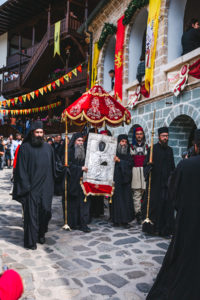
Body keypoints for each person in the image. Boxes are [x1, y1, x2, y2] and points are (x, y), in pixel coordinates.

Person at [147, 129, 200, 300]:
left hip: (189, 223)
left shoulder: (186, 165)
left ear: (196, 146)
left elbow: (174, 194)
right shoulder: (154, 150)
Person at [13, 121, 55, 250]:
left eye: (41, 132)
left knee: (46, 211)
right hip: (31, 188)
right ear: (32, 133)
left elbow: (54, 166)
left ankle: (41, 233)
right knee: (31, 215)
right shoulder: (25, 148)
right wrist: (26, 186)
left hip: (46, 187)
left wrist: (64, 169)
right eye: (37, 132)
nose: (39, 134)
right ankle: (31, 241)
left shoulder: (49, 148)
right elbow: (21, 170)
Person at [142, 127, 175, 237]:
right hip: (155, 184)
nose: (165, 138)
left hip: (166, 185)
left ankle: (164, 230)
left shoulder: (170, 150)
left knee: (166, 207)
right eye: (163, 136)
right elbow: (145, 165)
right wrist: (149, 166)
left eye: (167, 136)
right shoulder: (152, 149)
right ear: (159, 137)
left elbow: (172, 167)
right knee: (154, 206)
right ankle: (152, 229)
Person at [65, 132, 91, 232]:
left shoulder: (85, 152)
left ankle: (83, 224)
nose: (81, 143)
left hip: (83, 182)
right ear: (74, 141)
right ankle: (73, 223)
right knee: (73, 203)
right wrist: (80, 168)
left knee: (84, 203)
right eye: (79, 141)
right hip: (73, 181)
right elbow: (67, 166)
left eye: (82, 141)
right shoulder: (69, 152)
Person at [111, 134, 134, 228]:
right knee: (116, 201)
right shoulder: (113, 153)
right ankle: (116, 220)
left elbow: (130, 164)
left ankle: (125, 221)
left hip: (125, 181)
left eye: (125, 142)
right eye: (122, 141)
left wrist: (120, 161)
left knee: (125, 201)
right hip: (115, 180)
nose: (124, 144)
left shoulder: (128, 154)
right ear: (118, 142)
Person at [131, 127, 148, 224]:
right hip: (135, 171)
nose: (139, 136)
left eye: (141, 134)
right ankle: (137, 213)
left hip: (144, 171)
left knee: (144, 193)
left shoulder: (146, 146)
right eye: (137, 134)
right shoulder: (132, 146)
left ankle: (144, 212)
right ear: (135, 135)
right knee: (137, 193)